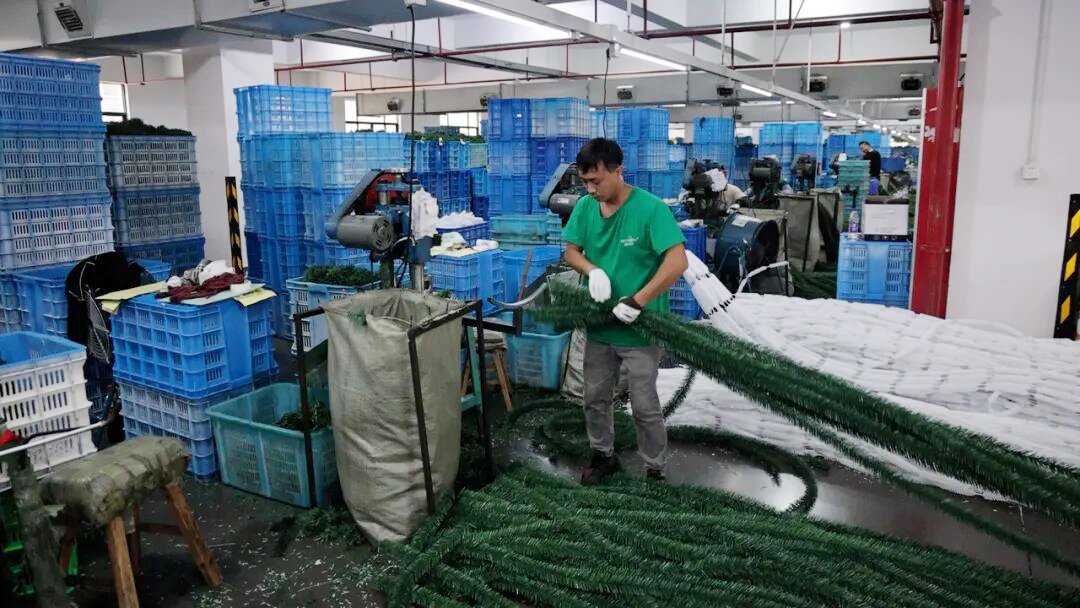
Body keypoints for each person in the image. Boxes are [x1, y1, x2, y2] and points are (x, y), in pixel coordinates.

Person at [562, 138, 689, 485]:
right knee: (594, 398)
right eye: (585, 182)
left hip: (639, 329)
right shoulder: (586, 207)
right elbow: (571, 251)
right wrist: (592, 270)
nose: (591, 190)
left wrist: (639, 300)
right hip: (600, 326)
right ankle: (603, 455)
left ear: (618, 170)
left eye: (596, 181)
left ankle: (655, 468)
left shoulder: (650, 209)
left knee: (644, 406)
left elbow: (677, 261)